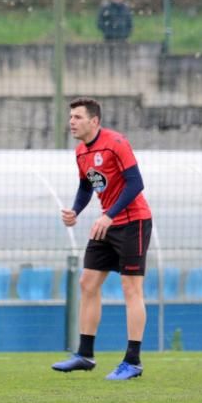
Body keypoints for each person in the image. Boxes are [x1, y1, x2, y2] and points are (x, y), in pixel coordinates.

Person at [52, 97, 152, 381]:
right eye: (71, 116)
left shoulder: (116, 142)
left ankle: (132, 361)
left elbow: (136, 183)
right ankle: (85, 355)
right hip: (106, 223)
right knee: (88, 282)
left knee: (130, 288)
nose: (72, 122)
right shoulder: (81, 152)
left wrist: (109, 216)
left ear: (94, 121)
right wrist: (75, 210)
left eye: (78, 117)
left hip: (133, 222)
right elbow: (86, 186)